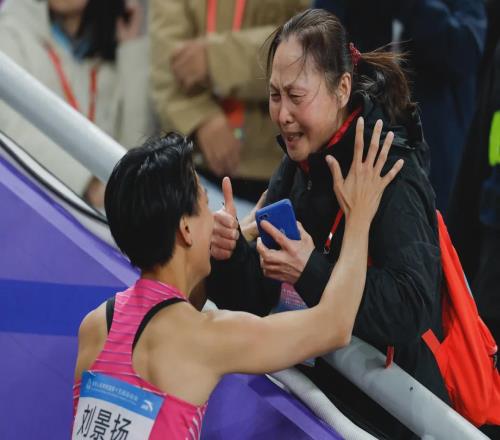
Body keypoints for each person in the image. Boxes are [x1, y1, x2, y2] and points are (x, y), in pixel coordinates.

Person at [207, 9, 449, 439]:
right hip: (310, 403)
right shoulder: (298, 161)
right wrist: (229, 254)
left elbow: (412, 308)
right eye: (274, 95)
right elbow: (257, 295)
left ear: (342, 89)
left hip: (383, 419)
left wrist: (310, 271)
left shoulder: (388, 168)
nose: (282, 114)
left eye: (296, 96)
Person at [72, 130, 402, 439]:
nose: (215, 218)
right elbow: (334, 326)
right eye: (206, 205)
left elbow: (165, 316)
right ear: (185, 230)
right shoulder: (208, 337)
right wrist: (359, 216)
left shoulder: (96, 326)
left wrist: (238, 236)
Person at [312, 0, 487, 214]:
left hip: (439, 155)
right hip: (359, 147)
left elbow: (466, 51)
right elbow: (320, 47)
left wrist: (411, 6)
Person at [148, 0, 308, 203]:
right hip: (194, 164)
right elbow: (167, 65)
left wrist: (215, 58)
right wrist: (201, 117)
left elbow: (308, 49)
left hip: (278, 165)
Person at [0, 0, 150, 205]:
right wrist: (88, 182)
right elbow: (12, 128)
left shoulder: (109, 58)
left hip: (100, 214)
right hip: (32, 204)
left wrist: (131, 48)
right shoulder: (11, 30)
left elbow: (136, 147)